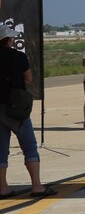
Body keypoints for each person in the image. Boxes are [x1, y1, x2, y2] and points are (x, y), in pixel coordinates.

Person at [0, 25, 55, 198]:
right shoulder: (19, 56)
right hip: (16, 109)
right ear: (8, 40)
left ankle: (3, 188)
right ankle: (36, 186)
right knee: (29, 146)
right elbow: (29, 77)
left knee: (1, 150)